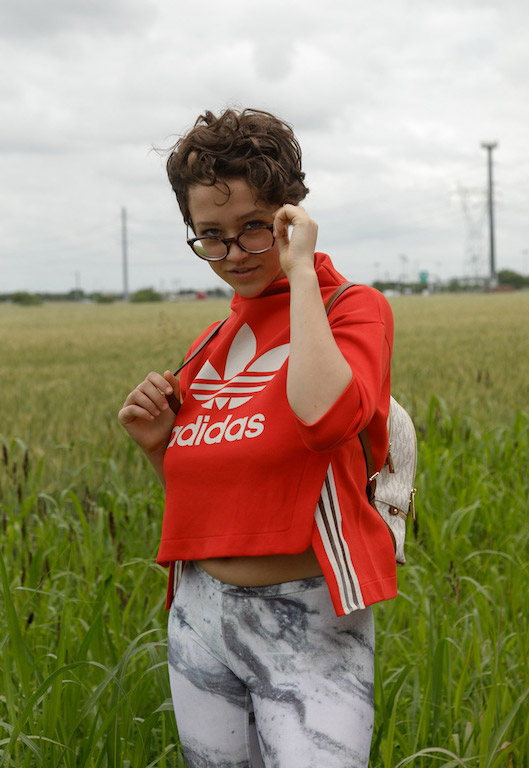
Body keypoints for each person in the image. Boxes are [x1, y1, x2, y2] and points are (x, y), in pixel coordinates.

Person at [118, 108, 397, 768]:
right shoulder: (209, 345)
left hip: (308, 621)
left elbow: (324, 417)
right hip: (199, 615)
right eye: (211, 236)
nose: (234, 254)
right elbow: (215, 506)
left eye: (252, 227)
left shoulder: (350, 310)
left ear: (290, 214)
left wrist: (301, 274)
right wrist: (159, 446)